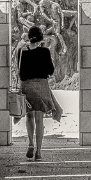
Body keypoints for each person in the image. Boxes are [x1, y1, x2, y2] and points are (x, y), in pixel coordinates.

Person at [18, 25, 54, 160]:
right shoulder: (45, 52)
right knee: (40, 120)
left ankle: (31, 144)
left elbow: (21, 73)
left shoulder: (23, 52)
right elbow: (50, 71)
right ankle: (39, 152)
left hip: (28, 87)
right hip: (41, 87)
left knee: (29, 117)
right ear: (40, 39)